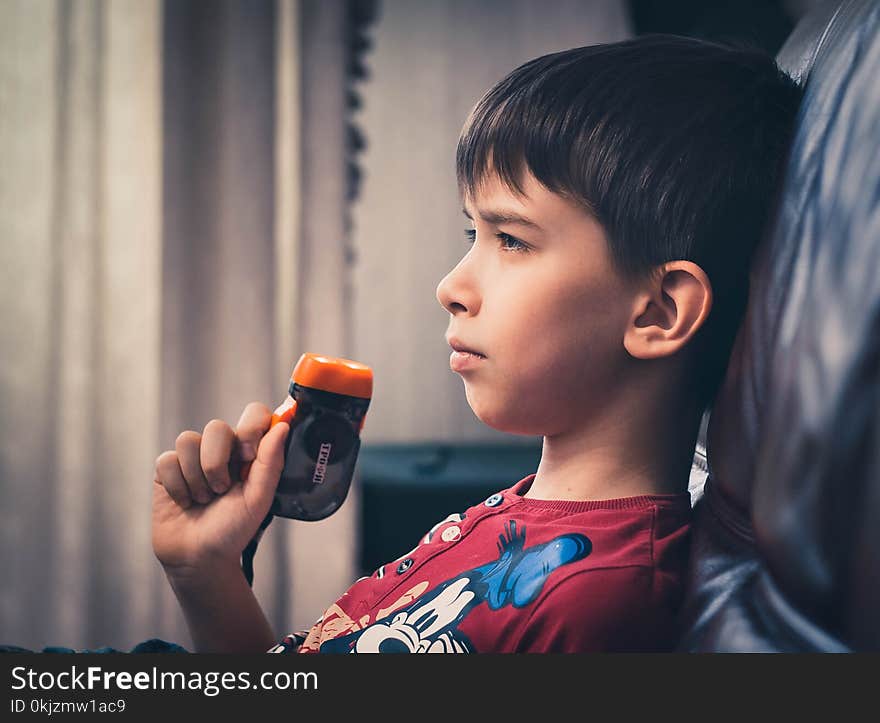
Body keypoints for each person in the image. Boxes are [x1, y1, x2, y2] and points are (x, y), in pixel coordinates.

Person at [152, 35, 803, 653]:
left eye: (512, 239)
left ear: (659, 312)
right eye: (474, 235)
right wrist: (206, 570)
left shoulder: (593, 603)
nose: (450, 287)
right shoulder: (524, 518)